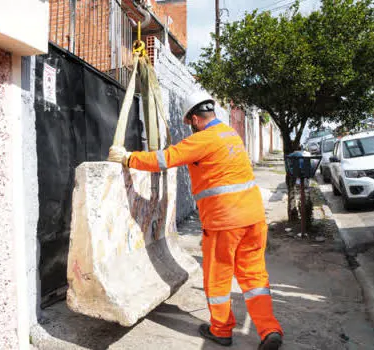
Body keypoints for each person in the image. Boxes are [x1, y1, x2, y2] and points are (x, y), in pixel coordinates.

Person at [108, 91, 284, 349]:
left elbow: (163, 159)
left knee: (218, 279)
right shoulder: (230, 134)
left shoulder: (202, 140)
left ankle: (221, 330)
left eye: (190, 124)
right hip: (254, 218)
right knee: (255, 277)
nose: (190, 128)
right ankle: (269, 330)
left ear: (194, 119)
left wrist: (127, 158)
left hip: (225, 221)